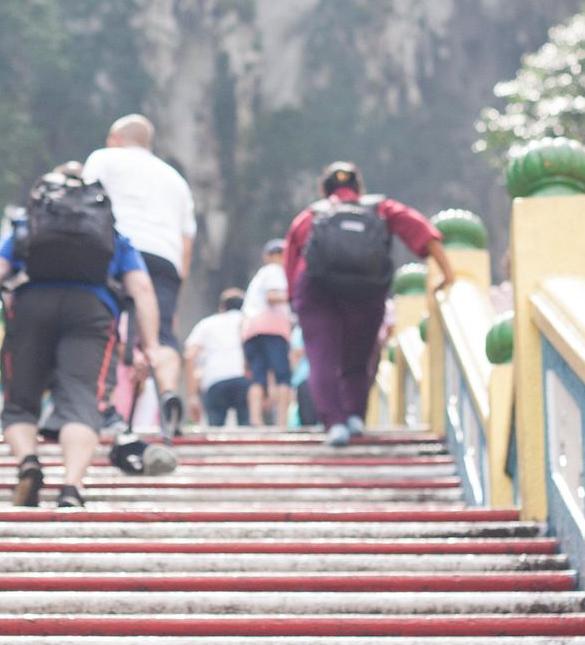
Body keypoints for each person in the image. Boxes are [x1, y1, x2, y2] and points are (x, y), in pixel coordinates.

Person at [0, 166, 164, 510]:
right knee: (82, 403)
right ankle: (72, 486)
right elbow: (142, 288)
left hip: (31, 307)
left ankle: (28, 461)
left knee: (19, 404)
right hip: (91, 310)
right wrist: (151, 345)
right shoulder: (112, 236)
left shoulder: (29, 225)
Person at [283, 161, 456, 448]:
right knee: (360, 358)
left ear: (323, 190)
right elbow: (423, 232)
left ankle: (335, 424)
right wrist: (447, 273)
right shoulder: (380, 208)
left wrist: (296, 301)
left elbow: (292, 263)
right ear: (359, 188)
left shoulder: (311, 215)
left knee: (321, 358)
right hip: (366, 292)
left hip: (317, 292)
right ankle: (355, 417)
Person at [82, 115, 196, 424]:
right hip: (164, 258)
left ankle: (104, 401)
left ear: (116, 138)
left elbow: (86, 202)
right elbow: (187, 241)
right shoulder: (176, 179)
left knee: (103, 323)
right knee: (161, 337)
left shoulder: (105, 159)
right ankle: (169, 392)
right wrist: (176, 287)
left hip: (117, 250)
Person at [241, 238, 294, 426]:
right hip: (273, 328)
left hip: (251, 329)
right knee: (282, 376)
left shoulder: (258, 277)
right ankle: (281, 423)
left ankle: (256, 422)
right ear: (269, 257)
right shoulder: (275, 272)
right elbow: (273, 296)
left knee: (257, 377)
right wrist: (294, 295)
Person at [185, 289, 249, 428]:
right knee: (247, 429)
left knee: (215, 431)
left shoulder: (207, 324)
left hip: (215, 379)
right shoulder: (248, 322)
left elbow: (189, 355)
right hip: (244, 378)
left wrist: (192, 396)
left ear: (222, 307)